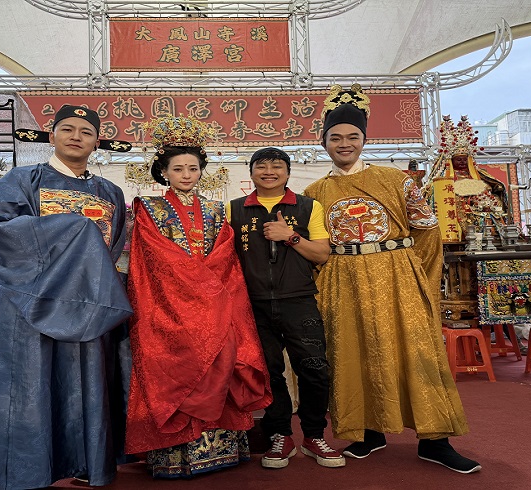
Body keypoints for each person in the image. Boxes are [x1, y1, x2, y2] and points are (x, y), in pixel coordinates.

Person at [303, 84, 480, 473]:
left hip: (397, 278)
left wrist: (417, 278)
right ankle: (368, 432)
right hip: (342, 282)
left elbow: (427, 233)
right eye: (336, 137)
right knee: (353, 354)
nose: (344, 144)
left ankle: (435, 440)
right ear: (323, 142)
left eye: (352, 136)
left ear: (364, 140)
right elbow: (314, 246)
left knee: (418, 354)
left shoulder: (397, 180)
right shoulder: (313, 192)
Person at [0, 104, 134, 489]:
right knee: (30, 384)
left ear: (96, 142)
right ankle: (23, 471)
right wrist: (75, 230)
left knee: (86, 383)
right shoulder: (22, 180)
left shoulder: (109, 191)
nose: (76, 137)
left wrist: (89, 276)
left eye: (86, 132)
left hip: (87, 301)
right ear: (53, 135)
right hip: (30, 302)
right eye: (68, 129)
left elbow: (113, 247)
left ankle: (86, 462)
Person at [125, 115, 272, 479]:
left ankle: (221, 451)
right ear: (163, 172)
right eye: (178, 169)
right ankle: (174, 456)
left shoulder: (216, 209)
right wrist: (196, 286)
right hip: (169, 305)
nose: (187, 175)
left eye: (193, 168)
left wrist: (207, 290)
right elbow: (154, 258)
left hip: (215, 304)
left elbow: (225, 256)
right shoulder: (149, 208)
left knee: (220, 366)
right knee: (175, 370)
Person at [226, 147, 343, 469]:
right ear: (251, 173)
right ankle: (280, 435)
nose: (269, 172)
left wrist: (290, 236)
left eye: (277, 166)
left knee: (314, 368)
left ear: (288, 173)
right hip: (252, 304)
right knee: (268, 372)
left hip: (299, 300)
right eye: (261, 166)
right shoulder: (233, 209)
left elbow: (322, 254)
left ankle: (314, 435)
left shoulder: (308, 207)